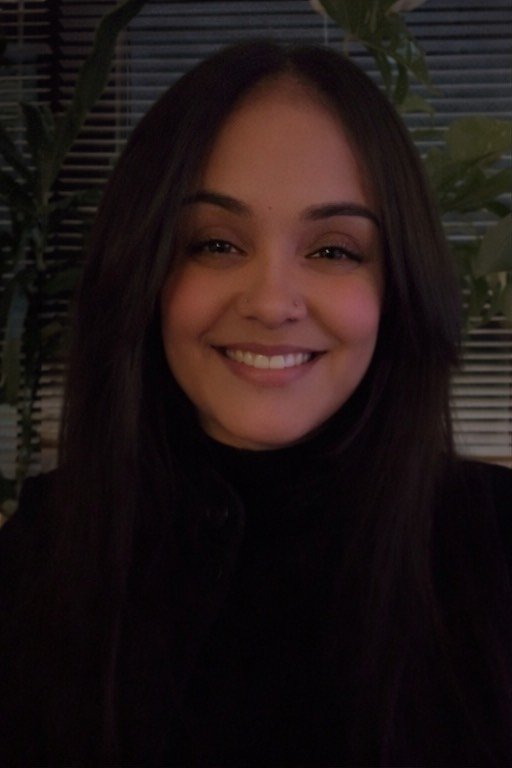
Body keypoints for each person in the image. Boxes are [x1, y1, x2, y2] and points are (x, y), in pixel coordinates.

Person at [0, 40, 510, 767]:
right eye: (215, 244)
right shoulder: (39, 557)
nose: (272, 303)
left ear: (399, 287)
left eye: (334, 250)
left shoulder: (492, 548)